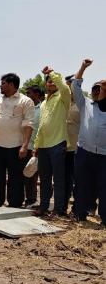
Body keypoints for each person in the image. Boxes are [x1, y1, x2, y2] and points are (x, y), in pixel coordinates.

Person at [0, 73, 34, 208]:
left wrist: (25, 145)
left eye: (3, 83)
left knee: (15, 177)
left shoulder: (26, 101)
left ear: (11, 84)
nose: (0, 86)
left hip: (16, 145)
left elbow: (29, 124)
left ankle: (15, 204)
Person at [72, 59, 106, 225]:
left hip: (105, 155)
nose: (97, 91)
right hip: (85, 152)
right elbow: (75, 86)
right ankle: (80, 213)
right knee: (82, 184)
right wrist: (83, 67)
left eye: (100, 89)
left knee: (104, 187)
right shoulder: (85, 103)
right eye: (95, 88)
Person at [33, 67, 71, 217]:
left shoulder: (63, 96)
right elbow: (41, 126)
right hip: (43, 146)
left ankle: (59, 210)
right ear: (45, 85)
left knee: (59, 180)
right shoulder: (43, 103)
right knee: (45, 180)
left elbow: (64, 87)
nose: (51, 83)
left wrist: (51, 73)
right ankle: (43, 207)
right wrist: (36, 145)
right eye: (48, 81)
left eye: (53, 81)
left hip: (57, 144)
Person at [24, 85, 44, 208]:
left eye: (29, 93)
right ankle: (30, 200)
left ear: (36, 94)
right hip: (27, 146)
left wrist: (37, 147)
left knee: (43, 176)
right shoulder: (26, 108)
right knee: (29, 174)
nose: (27, 95)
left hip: (40, 147)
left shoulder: (43, 108)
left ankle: (43, 202)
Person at [64, 75, 80, 213]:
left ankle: (78, 208)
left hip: (77, 148)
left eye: (71, 85)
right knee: (63, 179)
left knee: (78, 180)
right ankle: (62, 206)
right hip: (62, 147)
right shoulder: (62, 103)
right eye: (67, 85)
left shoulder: (83, 104)